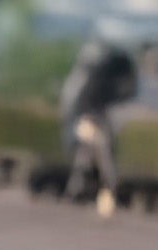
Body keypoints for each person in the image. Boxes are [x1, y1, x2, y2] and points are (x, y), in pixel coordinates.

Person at [59, 38, 138, 217]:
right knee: (97, 158)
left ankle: (83, 192)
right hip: (94, 119)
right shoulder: (104, 74)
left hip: (92, 118)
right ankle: (94, 192)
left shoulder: (95, 74)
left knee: (90, 156)